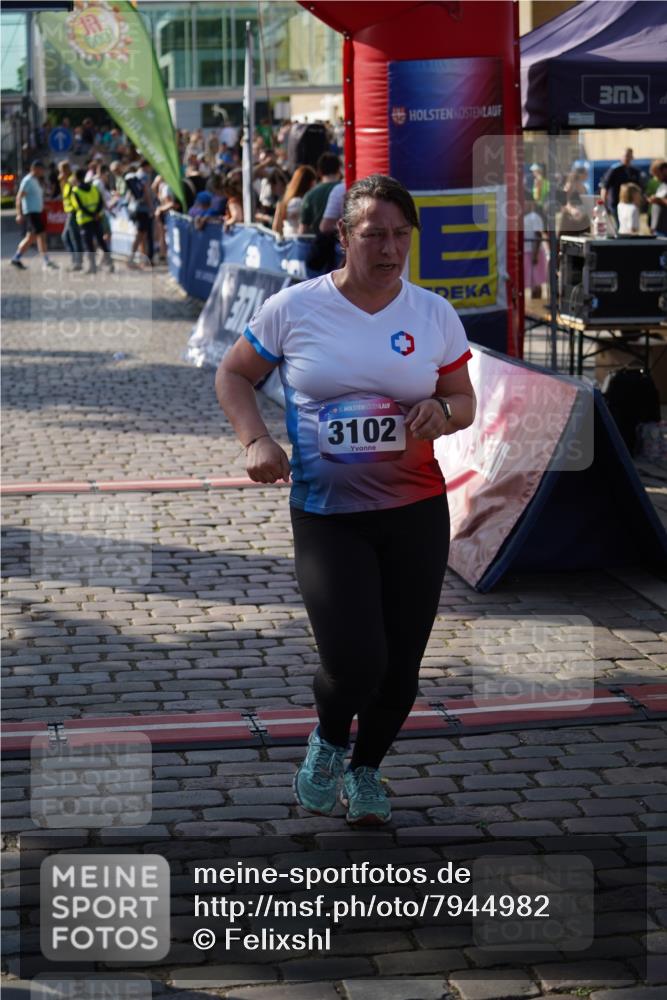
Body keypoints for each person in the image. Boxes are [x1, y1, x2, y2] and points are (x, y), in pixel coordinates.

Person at [215, 174, 475, 825]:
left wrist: (442, 412)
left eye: (400, 235)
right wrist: (255, 440)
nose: (389, 249)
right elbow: (233, 372)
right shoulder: (295, 307)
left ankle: (366, 771)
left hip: (415, 511)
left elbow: (464, 400)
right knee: (356, 661)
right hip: (330, 516)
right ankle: (330, 740)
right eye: (373, 235)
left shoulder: (432, 314)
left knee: (401, 671)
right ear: (342, 236)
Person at [11, 160, 58, 270]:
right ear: (35, 169)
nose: (43, 172)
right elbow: (19, 197)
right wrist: (19, 214)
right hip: (31, 213)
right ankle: (45, 261)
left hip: (37, 212)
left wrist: (43, 206)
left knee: (33, 237)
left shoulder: (35, 180)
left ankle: (17, 258)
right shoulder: (27, 180)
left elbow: (34, 197)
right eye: (41, 169)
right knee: (39, 236)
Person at [71, 167, 113, 274]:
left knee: (89, 244)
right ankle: (110, 264)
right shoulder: (94, 187)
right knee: (101, 242)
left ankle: (92, 267)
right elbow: (100, 202)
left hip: (85, 220)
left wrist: (91, 214)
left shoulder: (75, 191)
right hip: (97, 219)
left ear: (76, 178)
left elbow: (79, 207)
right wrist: (96, 214)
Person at [272, 164, 317, 237]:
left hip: (288, 239)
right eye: (314, 183)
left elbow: (276, 228)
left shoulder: (288, 200)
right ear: (310, 183)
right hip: (298, 241)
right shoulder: (299, 202)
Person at [600, 148, 641, 224]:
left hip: (630, 204)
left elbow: (638, 188)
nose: (627, 158)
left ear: (632, 157)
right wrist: (603, 203)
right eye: (625, 156)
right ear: (621, 157)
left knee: (629, 225)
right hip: (616, 203)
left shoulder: (635, 171)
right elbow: (605, 187)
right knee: (620, 225)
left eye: (629, 156)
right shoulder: (614, 170)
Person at [58, 160, 83, 271]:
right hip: (70, 212)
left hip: (74, 212)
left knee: (73, 237)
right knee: (67, 236)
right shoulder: (66, 181)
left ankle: (78, 262)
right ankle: (75, 260)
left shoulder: (72, 180)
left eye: (61, 170)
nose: (60, 173)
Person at [523, 197, 547, 298]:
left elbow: (538, 235)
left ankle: (537, 301)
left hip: (533, 252)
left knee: (536, 283)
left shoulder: (534, 217)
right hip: (526, 251)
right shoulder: (524, 217)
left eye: (526, 202)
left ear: (531, 204)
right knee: (531, 283)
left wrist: (535, 254)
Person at [648, 160, 667, 238]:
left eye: (657, 174)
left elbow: (661, 200)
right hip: (658, 229)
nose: (656, 178)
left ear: (665, 170)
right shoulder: (663, 184)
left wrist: (659, 200)